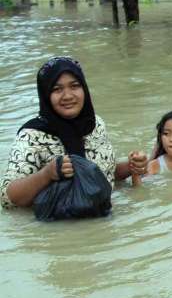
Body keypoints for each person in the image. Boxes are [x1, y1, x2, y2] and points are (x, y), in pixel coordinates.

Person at [0, 57, 148, 210]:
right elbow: (7, 198)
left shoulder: (95, 125)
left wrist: (131, 167)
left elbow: (104, 173)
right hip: (57, 229)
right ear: (45, 95)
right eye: (57, 89)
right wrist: (46, 175)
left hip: (105, 221)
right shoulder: (32, 136)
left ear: (84, 88)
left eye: (75, 86)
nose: (68, 96)